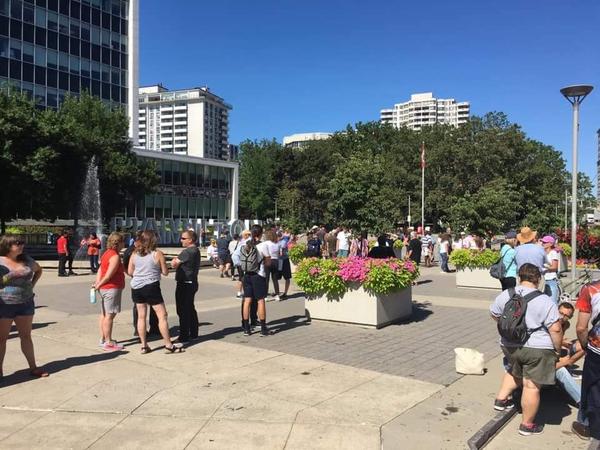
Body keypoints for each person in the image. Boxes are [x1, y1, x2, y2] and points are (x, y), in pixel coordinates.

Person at [490, 263, 562, 436]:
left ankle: (500, 400)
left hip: (509, 345)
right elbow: (556, 329)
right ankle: (527, 425)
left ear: (519, 277)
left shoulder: (506, 294)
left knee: (515, 371)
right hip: (536, 348)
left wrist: (511, 329)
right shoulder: (545, 300)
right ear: (538, 279)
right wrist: (557, 350)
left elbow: (494, 314)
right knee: (531, 386)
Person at [0, 235, 47, 379]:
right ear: (7, 246)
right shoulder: (1, 261)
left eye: (22, 243)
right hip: (4, 305)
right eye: (17, 243)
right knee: (2, 339)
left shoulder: (26, 259)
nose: (21, 245)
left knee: (26, 336)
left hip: (25, 304)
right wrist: (11, 276)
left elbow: (39, 270)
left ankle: (33, 367)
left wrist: (31, 286)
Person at [129, 231, 182, 354]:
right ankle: (168, 344)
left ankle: (143, 345)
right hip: (151, 286)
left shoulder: (134, 254)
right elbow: (165, 272)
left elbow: (131, 272)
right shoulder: (157, 254)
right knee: (162, 316)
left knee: (141, 316)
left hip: (136, 287)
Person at [573, 279, 600, 440]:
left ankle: (590, 426)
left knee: (593, 388)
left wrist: (584, 345)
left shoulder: (591, 289)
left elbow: (581, 327)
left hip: (597, 349)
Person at [93, 232, 125, 351]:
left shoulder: (106, 253)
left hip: (105, 288)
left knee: (104, 315)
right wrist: (99, 284)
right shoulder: (115, 256)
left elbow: (100, 271)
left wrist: (97, 283)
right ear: (119, 243)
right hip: (111, 288)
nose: (124, 244)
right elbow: (108, 275)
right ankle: (108, 341)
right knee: (110, 316)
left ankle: (103, 339)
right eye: (123, 242)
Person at [240, 225, 270, 336]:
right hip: (259, 275)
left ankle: (246, 328)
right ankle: (263, 328)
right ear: (261, 234)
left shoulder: (246, 244)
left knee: (247, 301)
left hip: (246, 275)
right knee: (260, 300)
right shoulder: (263, 245)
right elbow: (268, 262)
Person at [171, 230, 201, 343]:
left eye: (184, 238)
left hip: (185, 283)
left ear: (191, 240)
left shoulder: (187, 252)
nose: (181, 240)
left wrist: (175, 260)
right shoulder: (196, 250)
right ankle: (194, 333)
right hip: (192, 282)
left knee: (182, 310)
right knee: (190, 308)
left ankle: (184, 336)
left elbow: (174, 264)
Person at [541, 235, 560, 305]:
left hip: (550, 280)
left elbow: (555, 267)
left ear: (551, 244)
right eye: (542, 242)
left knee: (552, 302)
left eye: (545, 242)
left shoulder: (553, 253)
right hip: (541, 280)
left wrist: (544, 268)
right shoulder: (541, 252)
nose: (543, 243)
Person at [264, 229, 281, 301]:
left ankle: (265, 296)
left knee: (266, 279)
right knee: (275, 279)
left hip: (268, 260)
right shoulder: (277, 244)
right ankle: (277, 295)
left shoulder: (266, 243)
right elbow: (279, 254)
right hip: (276, 261)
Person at [277, 231, 292, 299]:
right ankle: (277, 292)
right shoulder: (277, 241)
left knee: (287, 277)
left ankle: (285, 293)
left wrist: (285, 237)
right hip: (279, 260)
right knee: (276, 277)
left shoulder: (283, 241)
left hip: (284, 260)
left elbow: (283, 246)